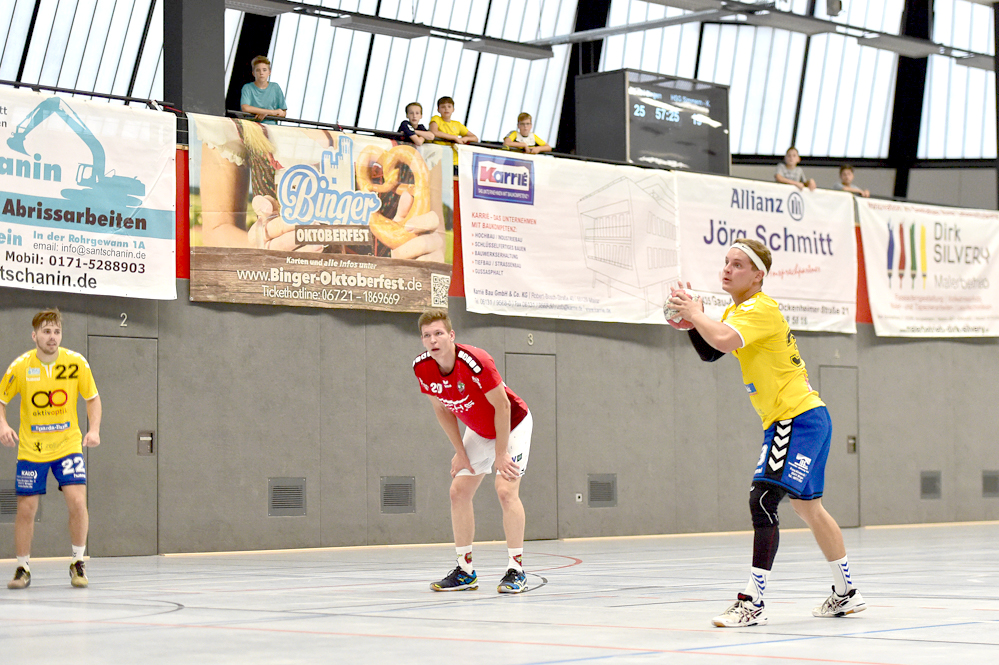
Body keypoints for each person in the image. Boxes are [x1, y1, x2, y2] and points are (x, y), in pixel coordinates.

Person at [666, 238, 865, 627]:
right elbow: (711, 351)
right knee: (808, 508)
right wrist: (692, 323)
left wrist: (696, 314)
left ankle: (752, 603)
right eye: (726, 262)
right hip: (805, 417)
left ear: (758, 275)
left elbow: (721, 339)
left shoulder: (760, 308)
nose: (727, 269)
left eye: (738, 265)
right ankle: (846, 594)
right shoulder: (739, 311)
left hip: (795, 418)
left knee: (762, 500)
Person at [414, 309, 532, 594]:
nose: (433, 340)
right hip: (479, 430)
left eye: (439, 333)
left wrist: (501, 453)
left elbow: (503, 406)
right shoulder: (422, 368)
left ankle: (516, 570)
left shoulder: (476, 361)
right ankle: (465, 572)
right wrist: (460, 452)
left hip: (512, 424)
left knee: (505, 491)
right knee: (458, 491)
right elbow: (442, 410)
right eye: (427, 336)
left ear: (451, 335)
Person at [0, 308, 101, 589]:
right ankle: (22, 568)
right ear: (34, 336)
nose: (52, 336)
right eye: (46, 331)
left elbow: (92, 398)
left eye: (56, 331)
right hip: (31, 449)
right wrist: (3, 425)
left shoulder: (76, 363)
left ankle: (77, 562)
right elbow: (1, 400)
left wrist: (94, 429)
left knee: (78, 502)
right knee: (26, 509)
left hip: (68, 445)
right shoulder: (20, 366)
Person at [429, 96, 479, 175]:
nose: (446, 109)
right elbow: (434, 132)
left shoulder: (457, 124)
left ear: (453, 109)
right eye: (443, 107)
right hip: (438, 160)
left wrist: (465, 139)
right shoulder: (436, 119)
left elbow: (475, 138)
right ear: (438, 109)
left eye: (449, 106)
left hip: (454, 161)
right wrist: (454, 137)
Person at [240, 56, 287, 125]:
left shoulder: (275, 87)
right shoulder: (247, 88)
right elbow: (245, 108)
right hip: (251, 125)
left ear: (269, 72)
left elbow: (283, 113)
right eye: (258, 70)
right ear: (253, 73)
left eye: (264, 70)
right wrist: (271, 112)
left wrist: (265, 113)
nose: (261, 73)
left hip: (271, 126)